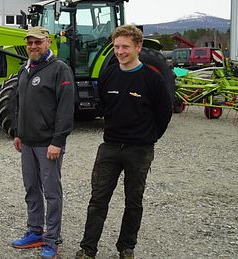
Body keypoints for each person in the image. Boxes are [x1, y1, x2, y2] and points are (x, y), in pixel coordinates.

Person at [75, 25, 172, 259]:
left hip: (139, 150)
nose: (120, 51)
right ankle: (88, 249)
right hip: (109, 148)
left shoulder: (152, 79)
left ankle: (126, 247)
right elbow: (106, 107)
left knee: (133, 201)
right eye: (117, 46)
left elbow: (163, 114)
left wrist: (148, 138)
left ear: (138, 47)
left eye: (125, 47)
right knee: (98, 200)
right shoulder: (108, 74)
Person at [9, 26, 75, 259]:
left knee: (51, 192)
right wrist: (18, 133)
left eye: (38, 42)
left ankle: (52, 238)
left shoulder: (59, 70)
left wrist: (58, 141)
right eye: (30, 43)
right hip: (27, 142)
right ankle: (35, 231)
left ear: (48, 42)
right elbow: (19, 103)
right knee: (31, 189)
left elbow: (66, 109)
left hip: (48, 144)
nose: (33, 47)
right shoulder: (25, 69)